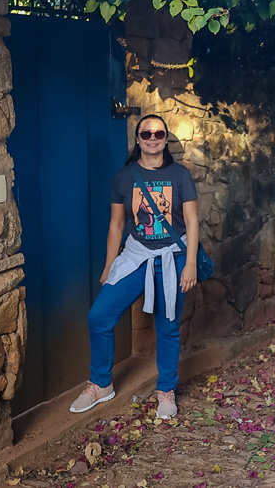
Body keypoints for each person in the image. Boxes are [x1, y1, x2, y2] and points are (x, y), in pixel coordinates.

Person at [69, 114, 200, 419]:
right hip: (136, 255)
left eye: (158, 133)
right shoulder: (124, 177)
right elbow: (116, 225)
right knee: (99, 317)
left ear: (165, 139)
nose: (152, 138)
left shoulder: (180, 175)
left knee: (167, 328)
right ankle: (101, 384)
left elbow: (192, 222)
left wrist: (190, 264)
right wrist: (109, 265)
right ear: (138, 138)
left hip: (172, 257)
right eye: (146, 134)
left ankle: (166, 390)